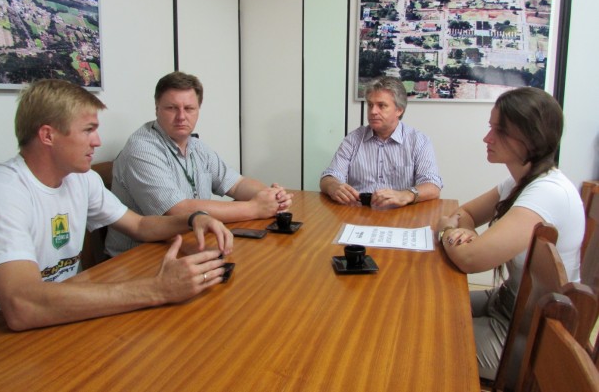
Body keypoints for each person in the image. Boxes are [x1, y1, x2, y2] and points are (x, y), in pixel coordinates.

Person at [0, 79, 234, 331]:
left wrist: (192, 219)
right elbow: (23, 305)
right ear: (48, 135)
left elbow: (140, 225)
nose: (98, 141)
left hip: (64, 316)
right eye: (88, 130)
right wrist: (158, 289)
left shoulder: (81, 179)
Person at [436, 86, 584, 382]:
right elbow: (467, 213)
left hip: (526, 336)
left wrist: (449, 230)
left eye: (498, 130)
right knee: (423, 307)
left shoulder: (546, 193)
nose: (486, 138)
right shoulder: (520, 182)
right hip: (506, 305)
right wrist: (461, 232)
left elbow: (470, 259)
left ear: (531, 138)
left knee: (415, 339)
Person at [105, 71, 293, 257]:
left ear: (198, 110)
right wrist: (254, 208)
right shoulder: (142, 149)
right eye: (171, 108)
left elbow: (236, 184)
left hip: (187, 244)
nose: (181, 116)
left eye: (189, 108)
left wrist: (270, 196)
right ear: (156, 108)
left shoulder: (196, 146)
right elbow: (176, 211)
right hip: (136, 258)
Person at [320, 76, 442, 207]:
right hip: (358, 213)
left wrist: (406, 194)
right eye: (370, 105)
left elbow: (433, 185)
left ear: (399, 110)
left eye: (381, 106)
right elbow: (330, 176)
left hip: (401, 215)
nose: (373, 111)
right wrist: (333, 186)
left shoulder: (419, 141)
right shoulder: (354, 139)